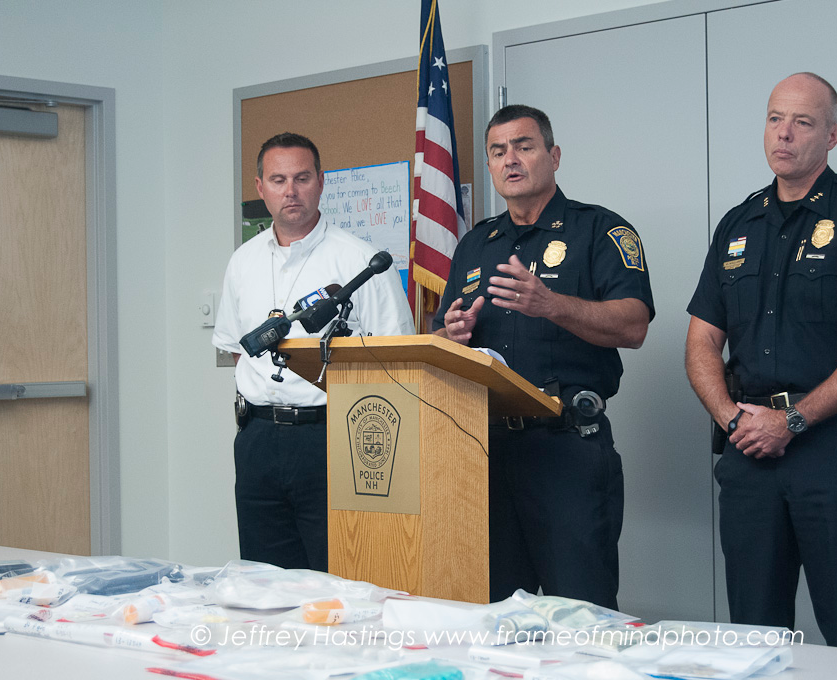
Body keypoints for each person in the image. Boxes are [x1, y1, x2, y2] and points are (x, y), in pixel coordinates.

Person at [685, 73, 837, 651]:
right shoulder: (737, 225)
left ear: (833, 135)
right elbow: (700, 343)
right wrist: (733, 419)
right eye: (774, 119)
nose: (784, 134)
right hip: (749, 454)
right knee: (752, 637)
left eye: (803, 122)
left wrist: (791, 421)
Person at [433, 105, 655, 610]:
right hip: (485, 452)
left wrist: (550, 304)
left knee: (579, 615)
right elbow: (443, 339)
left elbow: (634, 324)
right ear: (490, 166)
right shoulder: (475, 245)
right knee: (489, 613)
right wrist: (450, 333)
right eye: (498, 151)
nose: (511, 159)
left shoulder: (600, 231)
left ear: (553, 156)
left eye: (524, 146)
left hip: (566, 450)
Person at [213, 132, 414, 571]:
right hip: (258, 439)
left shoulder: (362, 262)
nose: (291, 191)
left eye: (302, 178)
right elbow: (238, 352)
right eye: (278, 179)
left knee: (341, 574)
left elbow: (397, 362)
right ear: (259, 186)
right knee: (263, 577)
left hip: (332, 436)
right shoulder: (242, 262)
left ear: (321, 182)